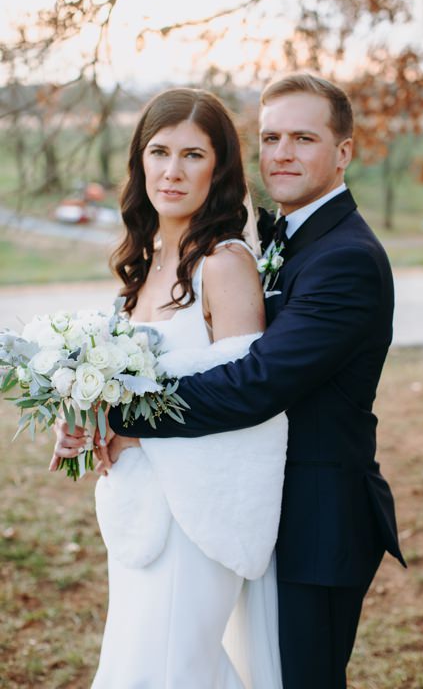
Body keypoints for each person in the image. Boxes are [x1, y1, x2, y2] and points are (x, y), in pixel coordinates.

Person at [60, 73, 405, 688]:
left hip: (317, 515)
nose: (283, 154)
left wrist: (124, 419)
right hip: (205, 501)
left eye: (304, 138)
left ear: (344, 151)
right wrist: (87, 410)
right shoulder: (272, 239)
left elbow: (256, 383)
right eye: (271, 137)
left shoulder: (344, 257)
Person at [49, 88, 289, 687]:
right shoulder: (142, 260)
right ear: (140, 161)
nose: (172, 171)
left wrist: (135, 433)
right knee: (144, 666)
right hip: (137, 514)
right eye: (158, 152)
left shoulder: (226, 265)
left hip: (196, 519)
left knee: (169, 672)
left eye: (192, 155)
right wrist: (84, 413)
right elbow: (127, 387)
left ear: (220, 168)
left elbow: (247, 409)